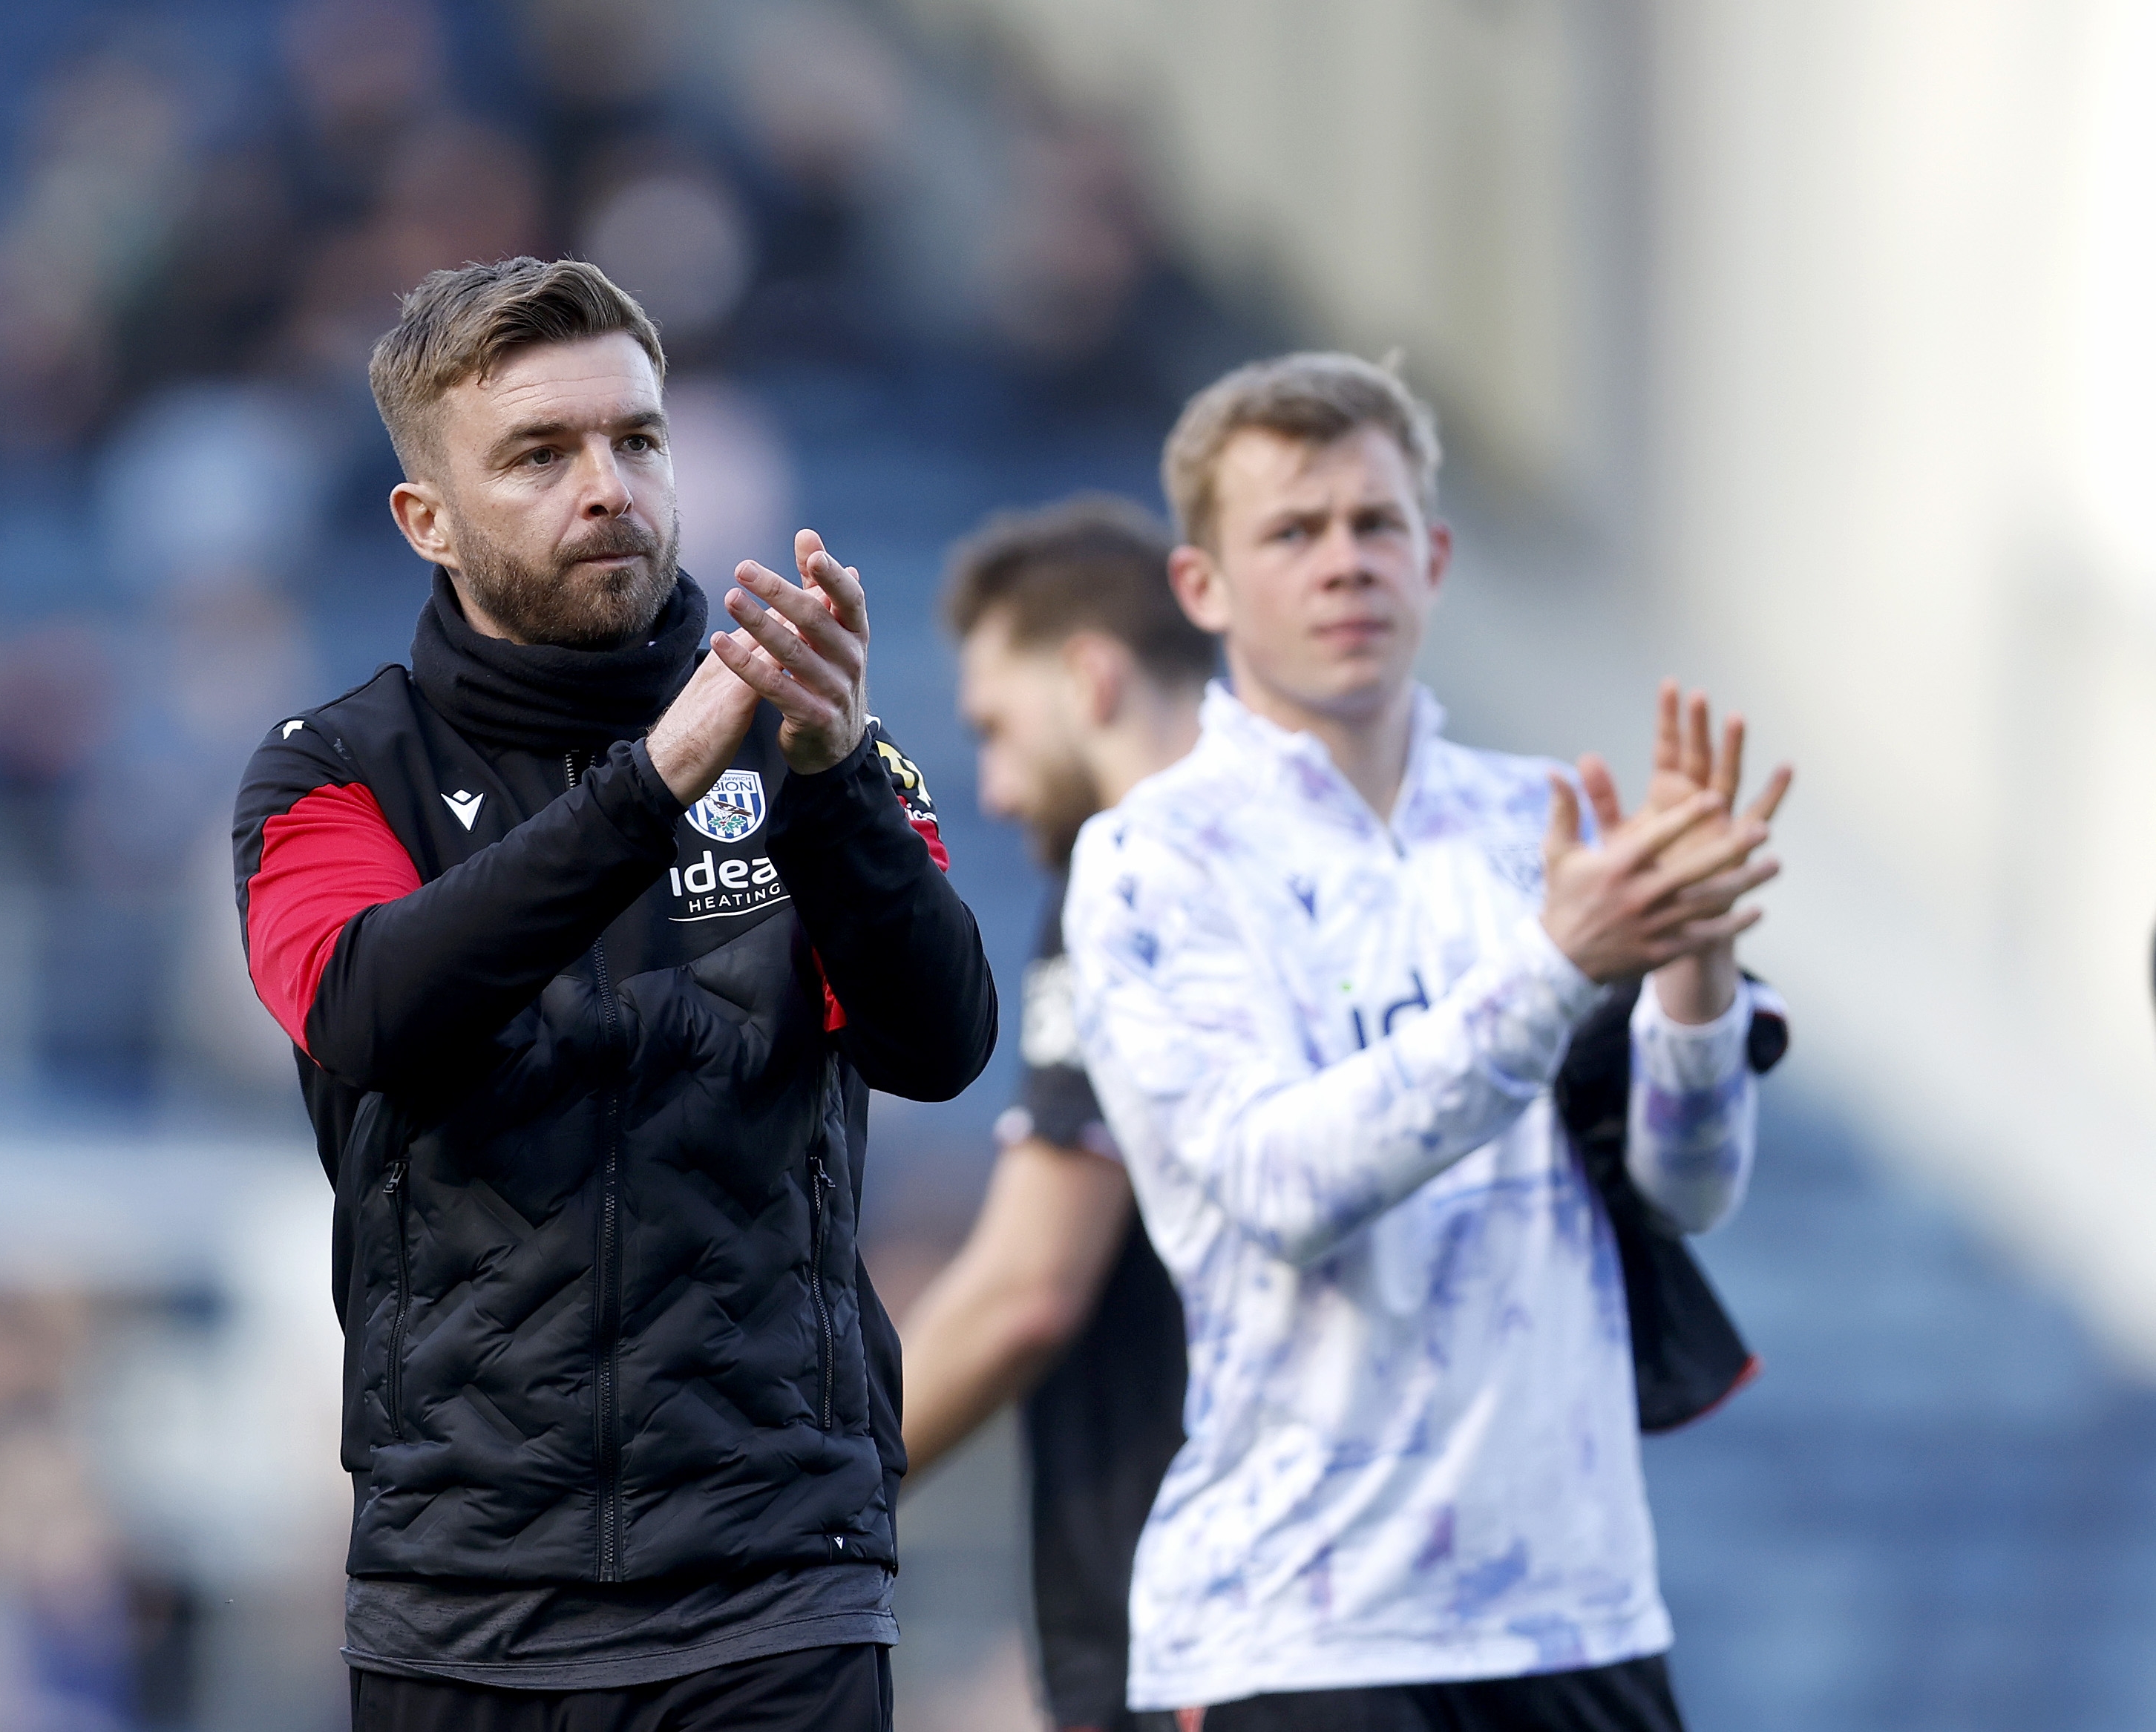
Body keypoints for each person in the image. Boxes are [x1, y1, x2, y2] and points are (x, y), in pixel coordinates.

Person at [231, 257, 997, 1731]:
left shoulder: (816, 745)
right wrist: (650, 788)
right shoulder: (329, 774)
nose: (607, 485)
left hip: (778, 1587)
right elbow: (367, 1011)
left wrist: (829, 782)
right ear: (424, 520)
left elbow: (939, 1044)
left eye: (634, 440)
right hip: (464, 1605)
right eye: (539, 452)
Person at [1061, 352, 1793, 1731]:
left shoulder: (1546, 829)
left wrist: (1691, 980)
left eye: (1375, 524)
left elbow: (1689, 1192)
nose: (1345, 563)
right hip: (1302, 1629)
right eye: (1293, 530)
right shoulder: (1152, 858)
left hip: (1579, 1606)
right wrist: (1559, 966)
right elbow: (1284, 1185)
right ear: (1201, 587)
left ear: (1435, 555)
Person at [896, 496, 1204, 1732]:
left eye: (998, 727)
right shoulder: (1341, 857)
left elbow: (1029, 1284)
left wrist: (785, 1515)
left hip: (1200, 1608)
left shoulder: (1134, 874)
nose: (994, 785)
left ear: (1088, 676)